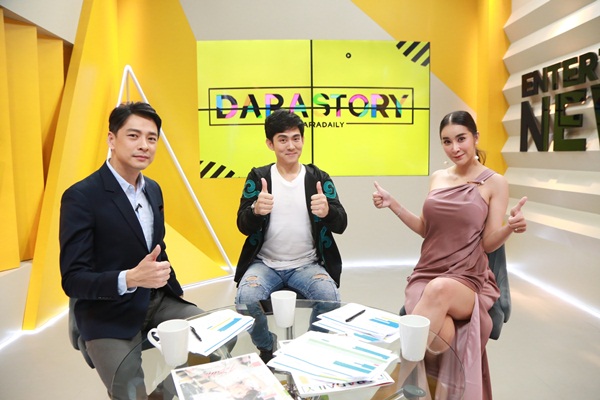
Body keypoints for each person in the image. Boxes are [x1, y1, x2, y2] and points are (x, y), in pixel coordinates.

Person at [372, 110, 527, 400]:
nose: (454, 148)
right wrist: (393, 204)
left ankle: (390, 386)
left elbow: (488, 243)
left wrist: (509, 228)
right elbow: (425, 229)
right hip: (426, 273)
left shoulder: (495, 182)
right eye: (446, 141)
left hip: (467, 278)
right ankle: (430, 393)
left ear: (475, 137)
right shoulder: (438, 178)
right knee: (440, 341)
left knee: (438, 291)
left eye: (461, 139)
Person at [60, 102, 206, 400]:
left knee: (216, 340)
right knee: (129, 390)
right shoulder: (81, 196)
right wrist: (129, 278)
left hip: (157, 300)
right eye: (133, 135)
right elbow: (73, 279)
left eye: (151, 138)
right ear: (111, 139)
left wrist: (167, 285)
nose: (144, 145)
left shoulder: (153, 189)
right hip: (106, 311)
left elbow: (156, 248)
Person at [234, 109, 347, 363]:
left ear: (303, 140)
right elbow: (242, 224)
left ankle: (309, 349)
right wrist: (255, 211)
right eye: (282, 139)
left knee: (330, 298)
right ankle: (267, 346)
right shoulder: (259, 177)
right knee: (245, 299)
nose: (291, 145)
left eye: (296, 138)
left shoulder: (318, 178)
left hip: (307, 265)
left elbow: (341, 223)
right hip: (265, 264)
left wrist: (328, 211)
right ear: (270, 144)